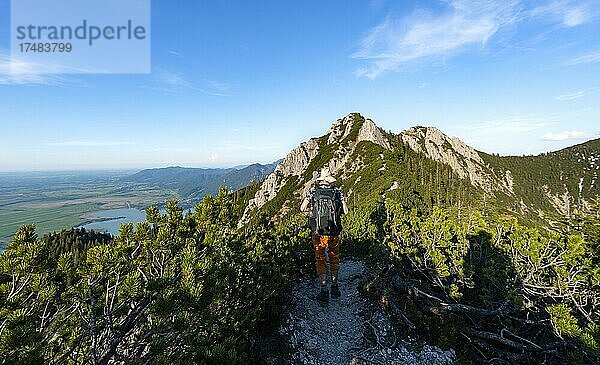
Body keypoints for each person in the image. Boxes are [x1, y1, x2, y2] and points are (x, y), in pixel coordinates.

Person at [300, 167, 349, 302]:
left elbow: (302, 208)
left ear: (321, 179)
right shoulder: (337, 191)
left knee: (320, 259)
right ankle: (334, 287)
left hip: (319, 231)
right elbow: (346, 211)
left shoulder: (313, 191)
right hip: (334, 230)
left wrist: (314, 211)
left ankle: (323, 289)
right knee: (334, 257)